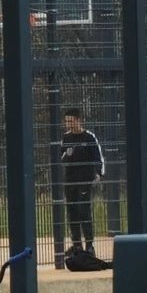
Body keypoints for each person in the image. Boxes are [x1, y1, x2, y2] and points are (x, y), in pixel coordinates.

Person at [57, 109, 104, 266]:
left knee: (84, 211)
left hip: (85, 180)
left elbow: (98, 157)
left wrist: (98, 173)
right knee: (72, 213)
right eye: (66, 121)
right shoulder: (66, 138)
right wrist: (67, 154)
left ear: (78, 120)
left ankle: (89, 246)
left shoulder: (89, 137)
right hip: (70, 181)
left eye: (71, 121)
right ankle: (77, 245)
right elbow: (61, 157)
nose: (68, 124)